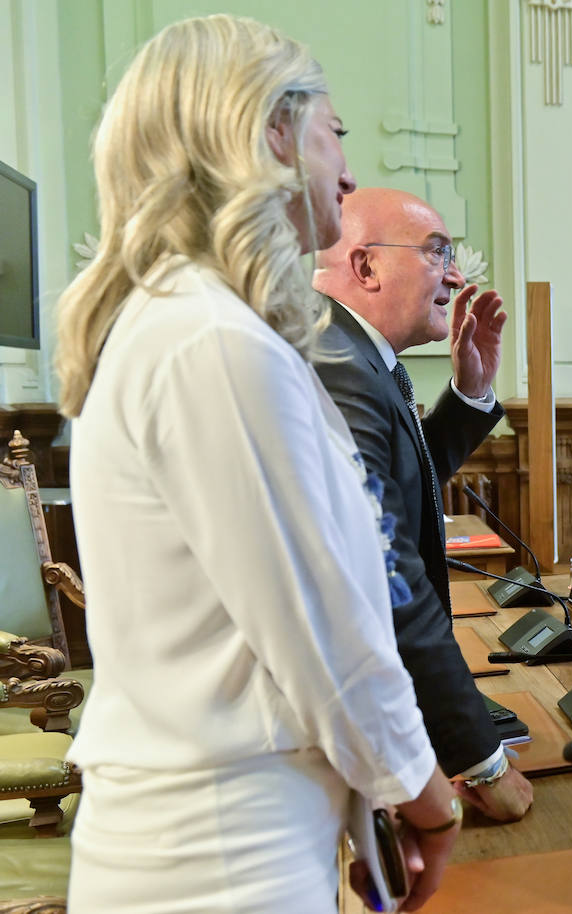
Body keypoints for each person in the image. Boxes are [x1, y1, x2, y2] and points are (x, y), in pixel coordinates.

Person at [54, 15, 457, 913]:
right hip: (218, 859)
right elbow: (320, 628)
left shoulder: (203, 324)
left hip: (242, 832)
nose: (347, 173)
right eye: (333, 133)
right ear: (271, 131)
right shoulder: (209, 339)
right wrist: (426, 796)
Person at [313, 187, 534, 821]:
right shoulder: (339, 366)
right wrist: (480, 759)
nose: (457, 274)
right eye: (437, 252)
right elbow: (385, 577)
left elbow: (403, 479)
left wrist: (471, 391)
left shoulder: (359, 355)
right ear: (366, 266)